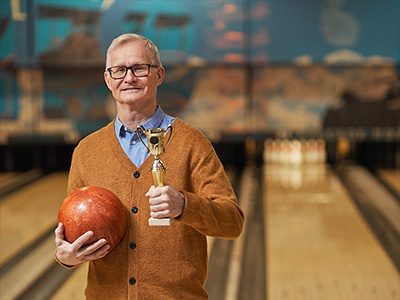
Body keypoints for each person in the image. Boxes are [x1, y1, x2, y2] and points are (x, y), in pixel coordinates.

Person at [54, 33, 244, 299]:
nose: (128, 78)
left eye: (139, 68)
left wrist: (185, 205)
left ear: (159, 75)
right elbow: (72, 229)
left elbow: (232, 222)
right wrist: (66, 256)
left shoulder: (191, 143)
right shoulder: (87, 151)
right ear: (108, 79)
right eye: (118, 70)